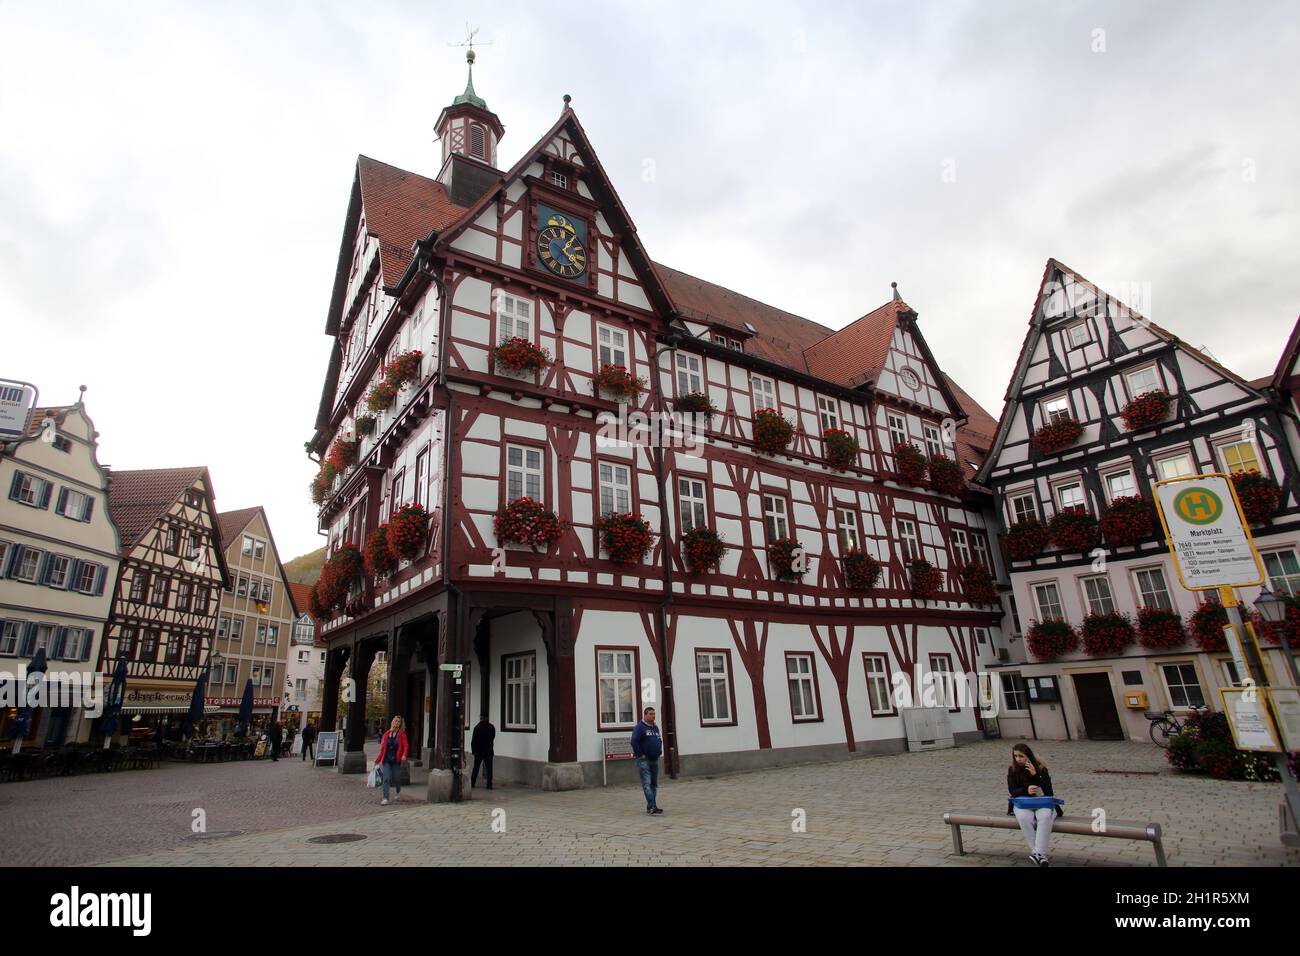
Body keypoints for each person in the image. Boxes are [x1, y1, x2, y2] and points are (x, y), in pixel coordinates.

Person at [1007, 743, 1063, 866]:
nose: (1018, 759)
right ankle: (1040, 855)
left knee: (1045, 817)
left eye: (1021, 756)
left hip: (1042, 802)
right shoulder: (1012, 769)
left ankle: (1037, 853)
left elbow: (1049, 792)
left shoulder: (1041, 768)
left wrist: (1036, 775)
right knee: (1023, 818)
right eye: (1015, 756)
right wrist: (1025, 790)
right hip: (1023, 803)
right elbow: (1012, 790)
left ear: (1028, 756)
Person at [630, 706, 664, 815]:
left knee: (654, 784)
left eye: (654, 714)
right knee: (647, 783)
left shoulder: (655, 728)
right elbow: (634, 741)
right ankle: (652, 806)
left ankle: (652, 806)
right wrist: (640, 754)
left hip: (654, 759)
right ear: (645, 715)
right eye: (650, 714)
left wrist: (659, 751)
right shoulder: (640, 727)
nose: (653, 716)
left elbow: (659, 739)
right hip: (644, 760)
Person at [375, 716, 409, 805]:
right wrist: (377, 759)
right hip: (386, 760)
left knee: (396, 778)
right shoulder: (386, 734)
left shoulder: (402, 734)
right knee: (386, 778)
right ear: (392, 722)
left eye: (398, 721)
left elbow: (405, 746)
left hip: (396, 760)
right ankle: (385, 798)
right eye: (395, 721)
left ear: (400, 724)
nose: (396, 722)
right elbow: (382, 749)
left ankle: (398, 791)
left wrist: (404, 755)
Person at [470, 716, 495, 789]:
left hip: (478, 751)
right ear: (487, 718)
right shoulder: (491, 727)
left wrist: (474, 751)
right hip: (488, 751)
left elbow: (474, 741)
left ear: (481, 718)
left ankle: (472, 782)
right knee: (489, 768)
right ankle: (489, 784)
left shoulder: (477, 727)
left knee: (476, 767)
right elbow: (493, 737)